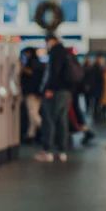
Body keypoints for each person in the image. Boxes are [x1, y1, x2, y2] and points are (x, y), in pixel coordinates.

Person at [36, 34, 72, 163]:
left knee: (49, 119)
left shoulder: (55, 52)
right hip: (66, 91)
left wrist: (49, 88)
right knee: (62, 120)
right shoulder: (67, 52)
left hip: (55, 91)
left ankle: (48, 151)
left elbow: (54, 71)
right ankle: (62, 151)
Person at [20, 47, 45, 143]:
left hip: (31, 93)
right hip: (39, 93)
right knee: (33, 115)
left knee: (33, 114)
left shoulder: (30, 65)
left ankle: (47, 129)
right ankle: (31, 135)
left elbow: (29, 77)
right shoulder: (40, 64)